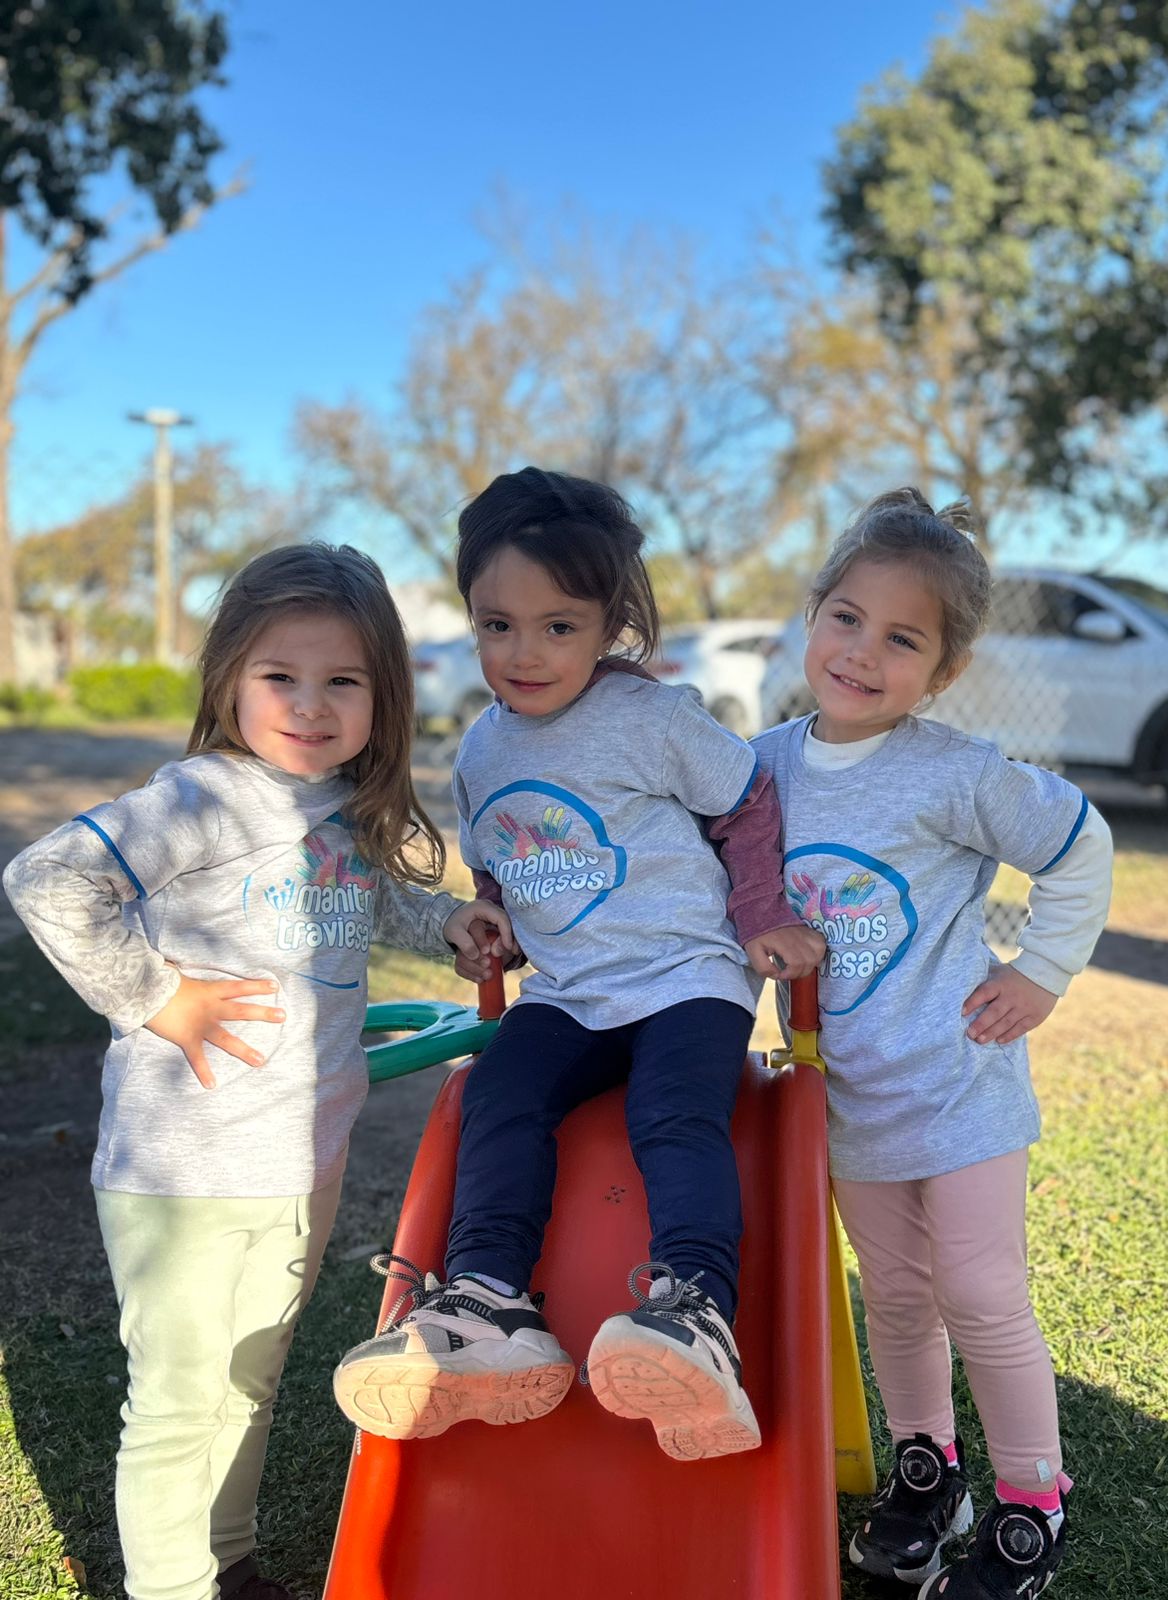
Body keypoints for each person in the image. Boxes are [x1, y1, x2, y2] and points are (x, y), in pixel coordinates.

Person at [2, 544, 512, 1600]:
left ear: (383, 695)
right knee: (178, 1402)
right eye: (281, 675)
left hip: (300, 1157)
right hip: (187, 1168)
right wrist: (158, 996)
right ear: (229, 676)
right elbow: (49, 878)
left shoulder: (339, 804)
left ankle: (225, 1562)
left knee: (251, 1378)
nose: (311, 705)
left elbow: (373, 898)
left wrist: (449, 922)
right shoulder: (201, 799)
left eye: (344, 680)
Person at [333, 466, 825, 1462]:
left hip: (684, 975)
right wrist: (494, 916)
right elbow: (501, 855)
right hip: (568, 991)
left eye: (559, 626)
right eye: (496, 624)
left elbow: (745, 802)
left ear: (611, 623)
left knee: (672, 1112)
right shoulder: (481, 749)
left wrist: (761, 912)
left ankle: (697, 1312)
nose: (524, 652)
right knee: (498, 1092)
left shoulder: (652, 717)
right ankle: (491, 1302)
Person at [752, 489, 1113, 1597]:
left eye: (902, 639)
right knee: (899, 1297)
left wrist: (1040, 973)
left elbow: (1081, 843)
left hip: (960, 1086)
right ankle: (927, 1471)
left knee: (979, 1290)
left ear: (944, 670)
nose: (863, 653)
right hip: (849, 1097)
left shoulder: (953, 769)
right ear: (813, 616)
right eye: (846, 618)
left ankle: (1032, 1505)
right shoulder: (757, 770)